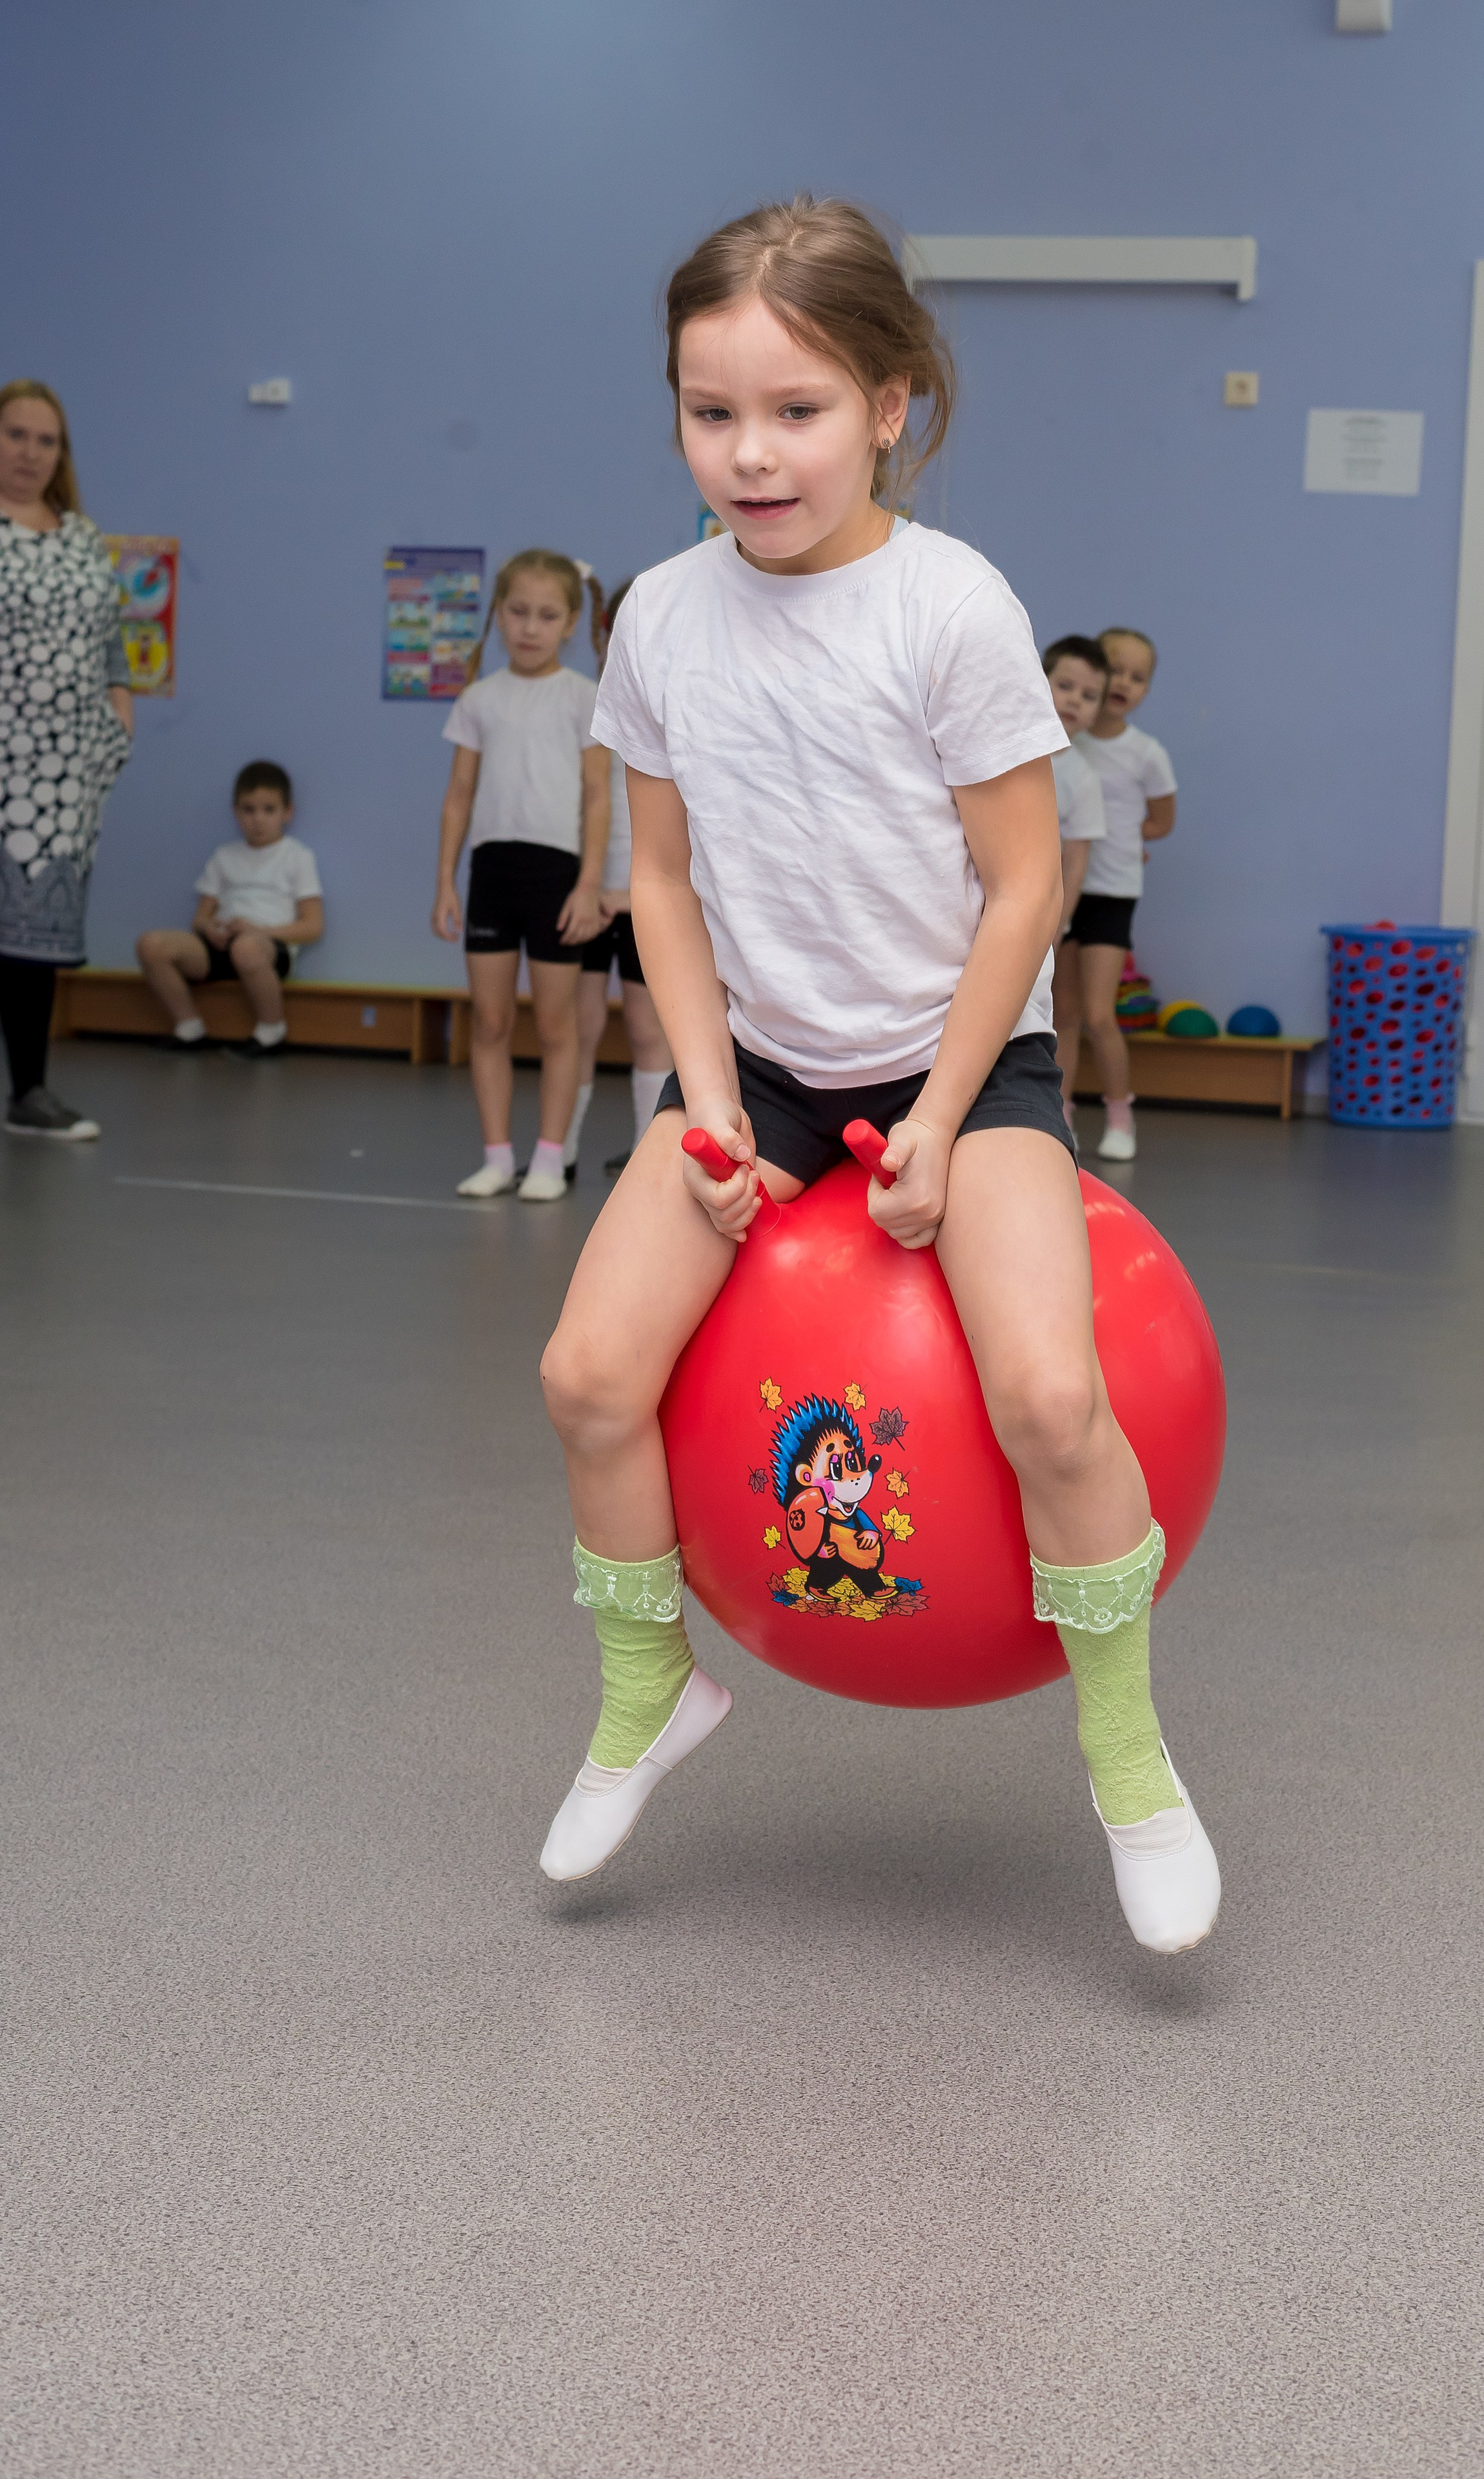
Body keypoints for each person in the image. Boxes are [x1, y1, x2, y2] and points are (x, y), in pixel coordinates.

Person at [534, 195, 1220, 1957]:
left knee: (1054, 1400)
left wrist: (931, 1121)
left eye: (798, 410)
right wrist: (701, 1107)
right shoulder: (664, 620)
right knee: (590, 1376)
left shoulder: (952, 606)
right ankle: (647, 1690)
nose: (750, 455)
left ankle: (1129, 1754)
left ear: (894, 404)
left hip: (966, 1067)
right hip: (758, 1066)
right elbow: (666, 885)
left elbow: (1028, 888)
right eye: (711, 413)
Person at [432, 550, 609, 1199]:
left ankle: (549, 1156)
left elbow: (598, 797)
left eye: (546, 615)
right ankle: (498, 1155)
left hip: (556, 877)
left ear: (568, 624)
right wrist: (446, 882)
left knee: (557, 1026)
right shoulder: (479, 700)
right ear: (498, 614)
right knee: (490, 1023)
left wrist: (589, 883)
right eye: (517, 612)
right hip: (492, 872)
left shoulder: (582, 699)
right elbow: (458, 795)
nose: (530, 627)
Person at [0, 380, 134, 1141]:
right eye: (15, 435)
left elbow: (112, 638)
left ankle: (30, 1092)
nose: (29, 453)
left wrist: (120, 710)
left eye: (45, 440)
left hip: (63, 770)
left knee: (32, 935)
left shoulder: (82, 535)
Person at [569, 578, 674, 1178]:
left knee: (645, 1028)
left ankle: (646, 1154)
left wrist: (630, 893)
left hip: (645, 897)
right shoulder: (584, 701)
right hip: (587, 895)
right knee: (578, 1028)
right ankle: (560, 1151)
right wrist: (586, 885)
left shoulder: (672, 697)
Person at [1062, 627, 1176, 1163]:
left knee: (1100, 1013)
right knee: (1061, 1015)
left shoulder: (1146, 754)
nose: (1124, 683)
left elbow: (1160, 822)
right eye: (1117, 670)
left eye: (1139, 676)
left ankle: (1119, 1113)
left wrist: (1127, 846)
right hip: (1065, 891)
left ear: (1147, 689)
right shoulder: (1067, 741)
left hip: (1111, 891)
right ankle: (1058, 1116)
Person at [135, 762, 323, 1054]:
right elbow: (200, 918)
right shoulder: (224, 856)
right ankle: (189, 1028)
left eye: (269, 810)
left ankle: (272, 1031)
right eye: (248, 810)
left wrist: (258, 931)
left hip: (268, 948)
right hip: (221, 945)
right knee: (151, 944)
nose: (258, 819)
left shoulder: (297, 856)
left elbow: (313, 927)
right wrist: (208, 928)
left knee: (247, 947)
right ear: (236, 812)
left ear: (288, 812)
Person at [1041, 635, 1112, 1128]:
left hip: (1040, 918)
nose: (1073, 700)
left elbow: (1075, 861)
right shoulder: (1005, 750)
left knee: (1047, 1015)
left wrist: (1056, 924)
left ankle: (1054, 1111)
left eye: (1088, 696)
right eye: (1064, 685)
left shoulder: (1082, 778)